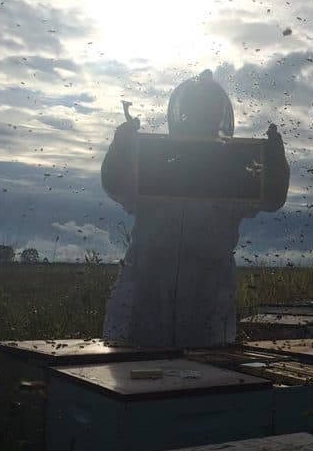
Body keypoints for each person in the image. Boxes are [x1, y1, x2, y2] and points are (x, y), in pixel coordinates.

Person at [101, 69, 290, 348]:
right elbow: (116, 185)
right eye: (197, 109)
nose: (202, 115)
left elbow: (272, 199)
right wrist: (120, 149)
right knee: (134, 368)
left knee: (203, 371)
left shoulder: (236, 164)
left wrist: (275, 164)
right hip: (146, 285)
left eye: (207, 109)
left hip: (208, 292)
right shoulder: (153, 159)